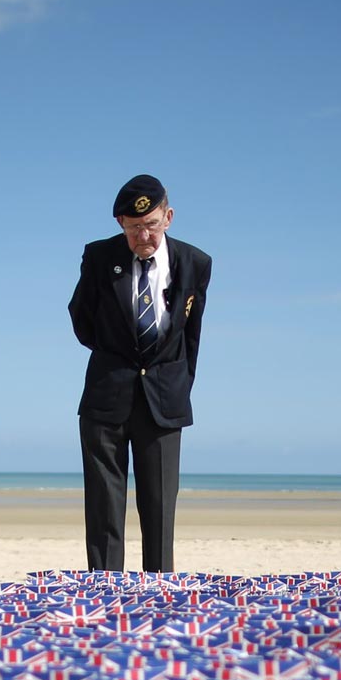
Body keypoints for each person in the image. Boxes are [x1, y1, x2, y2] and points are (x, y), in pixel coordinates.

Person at [67, 174, 211, 573]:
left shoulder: (195, 262)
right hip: (106, 396)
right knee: (103, 510)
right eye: (133, 228)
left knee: (160, 510)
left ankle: (159, 596)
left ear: (168, 216)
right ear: (120, 224)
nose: (142, 235)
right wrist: (117, 356)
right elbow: (81, 319)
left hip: (165, 399)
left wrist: (178, 386)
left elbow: (192, 335)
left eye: (150, 225)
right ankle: (105, 595)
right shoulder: (98, 257)